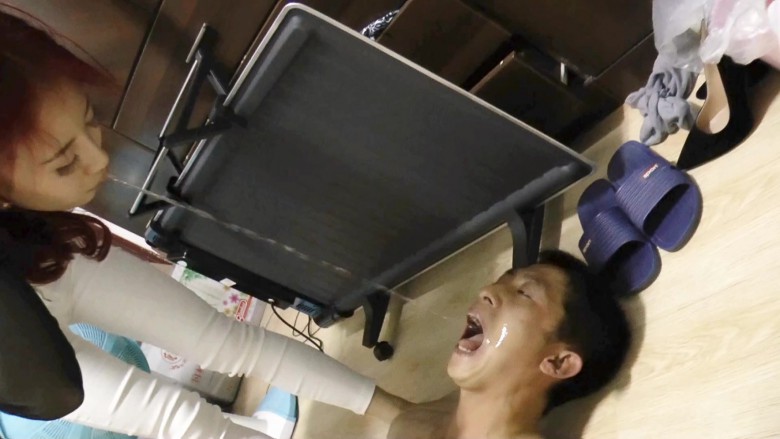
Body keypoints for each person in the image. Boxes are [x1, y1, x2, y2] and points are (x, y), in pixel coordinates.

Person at [0, 7, 407, 438]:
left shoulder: (37, 237)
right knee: (181, 422)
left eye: (90, 120)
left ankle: (401, 413)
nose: (100, 160)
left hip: (28, 252)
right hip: (20, 349)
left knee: (224, 342)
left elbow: (231, 345)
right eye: (64, 163)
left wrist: (400, 415)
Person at [382, 250, 631, 439]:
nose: (487, 290)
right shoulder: (419, 421)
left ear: (558, 362)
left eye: (525, 293)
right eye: (501, 280)